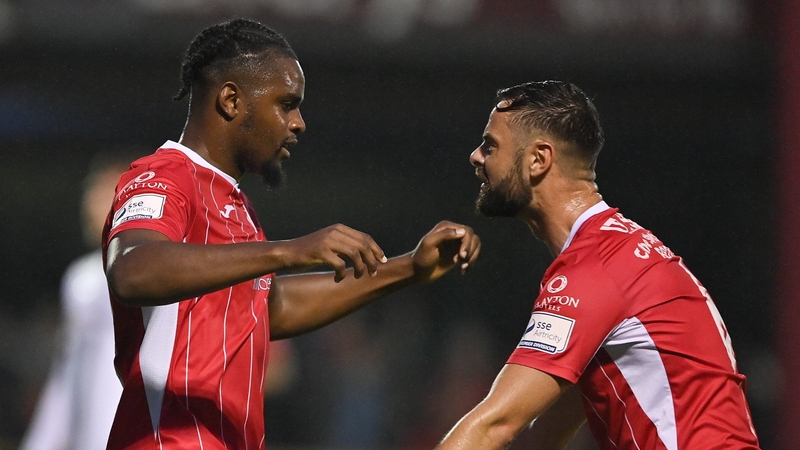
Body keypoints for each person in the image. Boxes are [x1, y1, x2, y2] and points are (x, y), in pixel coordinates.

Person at [102, 18, 481, 450]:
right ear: (230, 100)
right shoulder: (162, 176)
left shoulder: (236, 206)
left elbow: (265, 309)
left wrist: (407, 269)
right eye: (286, 103)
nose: (299, 122)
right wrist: (288, 251)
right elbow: (132, 272)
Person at [435, 81, 761, 449]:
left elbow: (494, 425)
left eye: (490, 145)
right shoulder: (620, 251)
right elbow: (556, 423)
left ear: (539, 160)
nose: (476, 157)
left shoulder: (594, 268)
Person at [20, 154, 132, 450]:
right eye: (92, 193)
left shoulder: (158, 275)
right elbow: (67, 374)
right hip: (91, 435)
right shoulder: (81, 278)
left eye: (105, 193)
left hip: (139, 430)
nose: (91, 204)